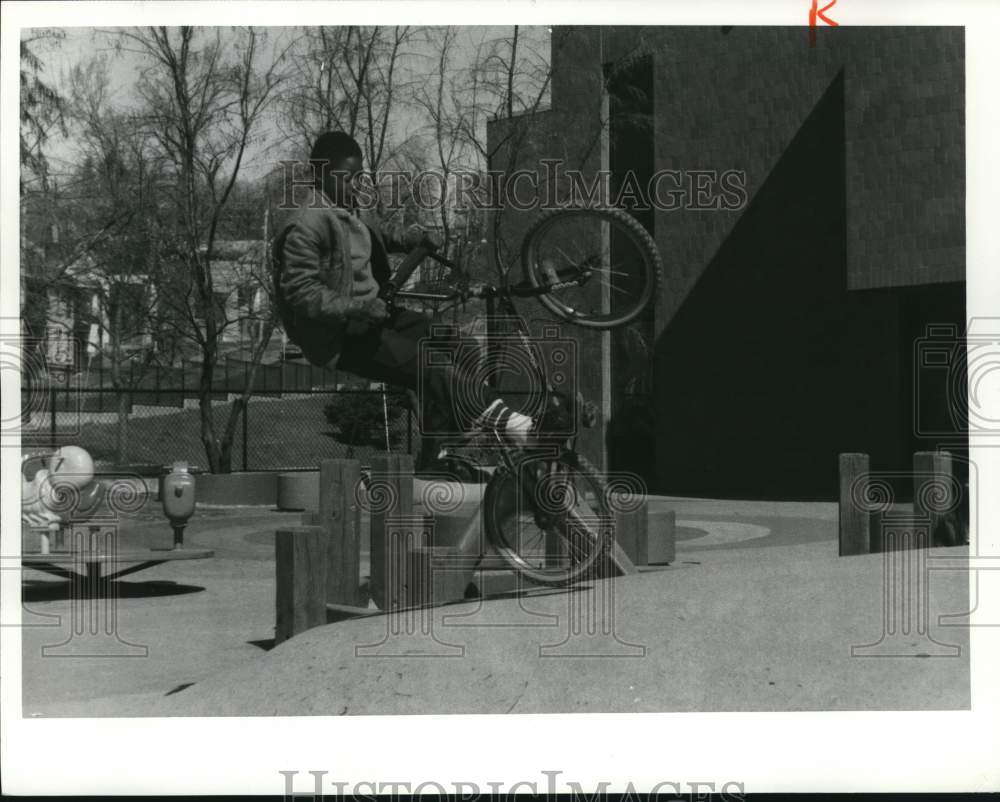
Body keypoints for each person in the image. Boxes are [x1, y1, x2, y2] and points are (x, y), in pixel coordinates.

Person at [272, 131, 536, 470]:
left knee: (462, 346)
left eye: (359, 177)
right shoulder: (305, 225)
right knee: (428, 366)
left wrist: (409, 238)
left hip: (377, 315)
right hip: (340, 334)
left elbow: (378, 237)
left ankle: (440, 452)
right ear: (321, 174)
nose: (355, 185)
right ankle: (510, 422)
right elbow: (301, 294)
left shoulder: (354, 207)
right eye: (347, 178)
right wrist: (359, 307)